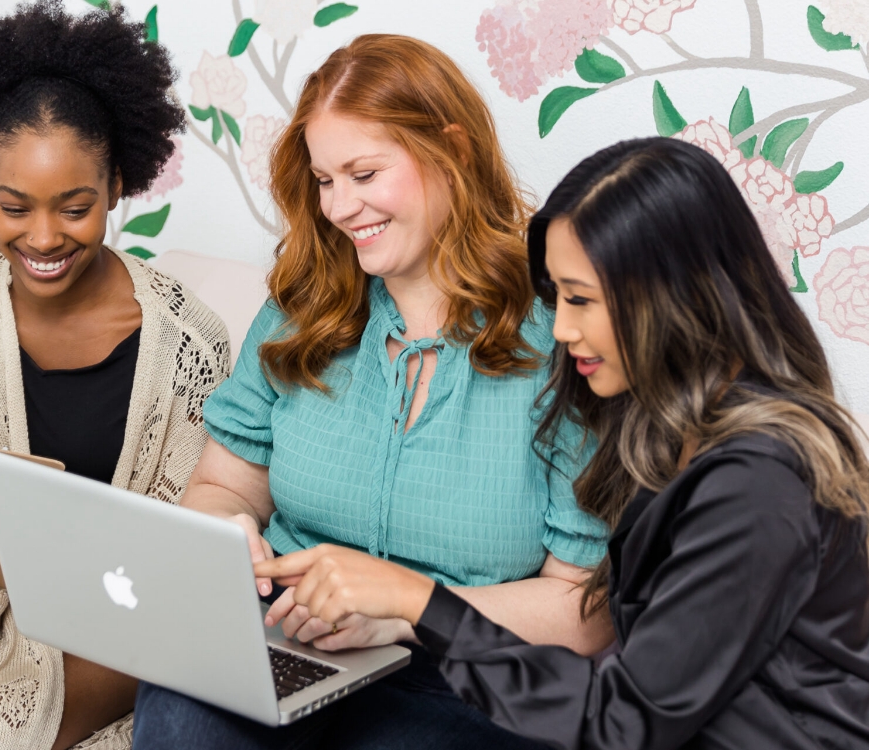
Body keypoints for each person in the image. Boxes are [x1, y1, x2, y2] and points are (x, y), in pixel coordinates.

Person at [256, 136, 869, 749]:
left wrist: (419, 601)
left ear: (674, 292)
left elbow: (621, 722)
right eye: (557, 298)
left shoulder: (758, 485)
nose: (564, 328)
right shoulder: (672, 435)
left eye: (580, 299)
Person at [132, 34, 611, 749]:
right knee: (178, 710)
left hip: (467, 676)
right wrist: (224, 531)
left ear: (450, 151)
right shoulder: (305, 302)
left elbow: (585, 610)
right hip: (289, 642)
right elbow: (224, 485)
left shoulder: (561, 330)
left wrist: (405, 613)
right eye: (325, 180)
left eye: (364, 173)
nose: (339, 206)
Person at [0, 2, 230, 749]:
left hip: (99, 623)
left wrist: (52, 541)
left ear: (118, 185)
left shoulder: (190, 342)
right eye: (13, 206)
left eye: (74, 207)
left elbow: (182, 562)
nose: (41, 238)